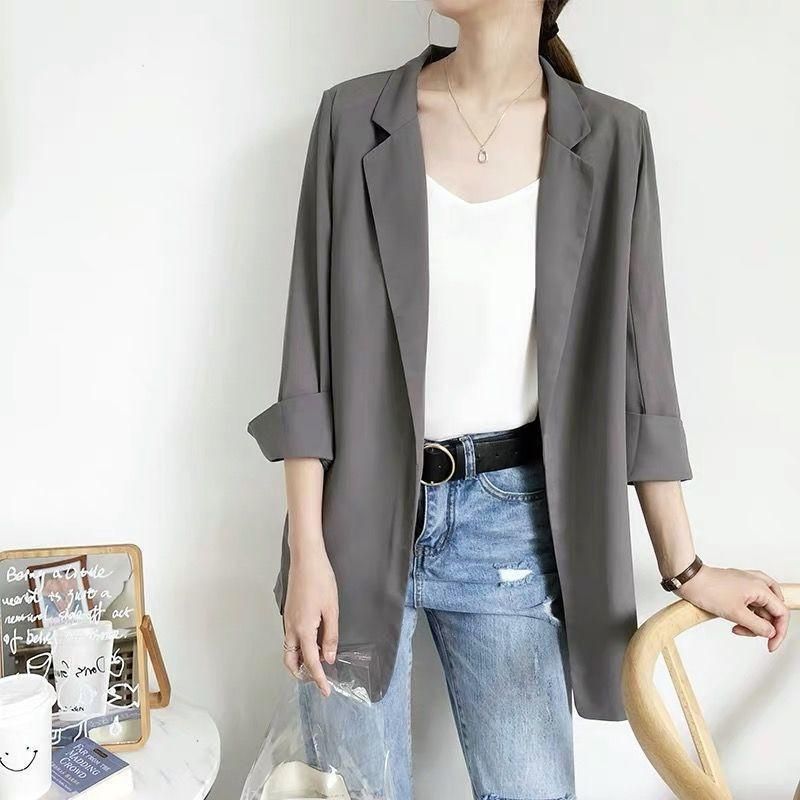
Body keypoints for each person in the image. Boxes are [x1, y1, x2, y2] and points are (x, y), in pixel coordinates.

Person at [247, 2, 790, 797]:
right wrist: (308, 554)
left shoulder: (612, 139)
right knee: (351, 791)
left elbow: (642, 372)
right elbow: (309, 358)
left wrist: (688, 568)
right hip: (352, 522)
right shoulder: (353, 119)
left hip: (510, 530)